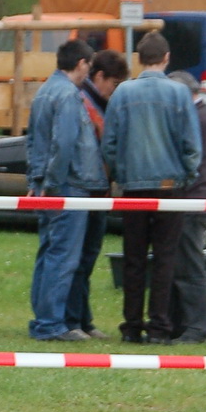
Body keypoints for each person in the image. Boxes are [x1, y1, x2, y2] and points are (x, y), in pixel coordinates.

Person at [101, 30, 201, 343]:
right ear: (167, 58)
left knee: (133, 258)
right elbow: (191, 146)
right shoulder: (180, 94)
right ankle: (159, 326)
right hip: (169, 186)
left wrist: (120, 173)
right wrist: (187, 175)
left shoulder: (122, 94)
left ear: (139, 59)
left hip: (133, 186)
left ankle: (131, 324)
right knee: (164, 258)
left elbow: (110, 144)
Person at [24, 38, 106, 342]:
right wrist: (55, 185)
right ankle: (50, 324)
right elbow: (65, 143)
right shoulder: (70, 95)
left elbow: (32, 142)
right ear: (82, 63)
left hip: (48, 187)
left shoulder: (44, 91)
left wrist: (37, 182)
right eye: (89, 65)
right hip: (69, 188)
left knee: (48, 254)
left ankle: (44, 318)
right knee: (63, 257)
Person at [65, 48, 129, 338]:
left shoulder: (97, 101)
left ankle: (83, 319)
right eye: (113, 84)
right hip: (87, 187)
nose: (114, 91)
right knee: (79, 258)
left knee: (88, 257)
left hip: (98, 189)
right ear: (99, 76)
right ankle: (74, 320)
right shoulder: (84, 101)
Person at [168, 71, 206, 344]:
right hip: (194, 198)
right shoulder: (202, 116)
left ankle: (197, 327)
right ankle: (182, 324)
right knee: (183, 264)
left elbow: (192, 162)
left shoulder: (197, 119)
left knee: (189, 266)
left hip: (192, 199)